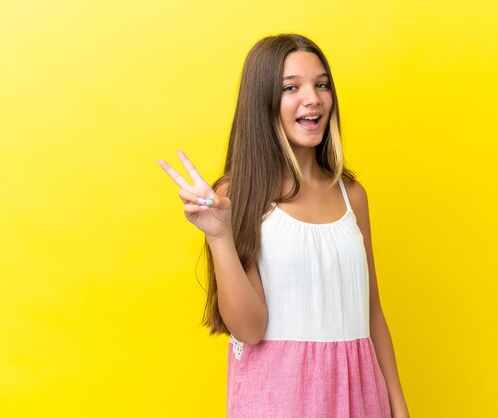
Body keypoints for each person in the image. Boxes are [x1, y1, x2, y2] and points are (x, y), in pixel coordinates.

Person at [158, 33, 410, 418]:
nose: (313, 98)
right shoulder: (236, 195)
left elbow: (373, 312)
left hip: (359, 395)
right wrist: (220, 237)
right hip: (279, 397)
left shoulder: (351, 195)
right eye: (291, 87)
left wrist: (398, 406)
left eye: (321, 84)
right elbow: (250, 329)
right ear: (263, 103)